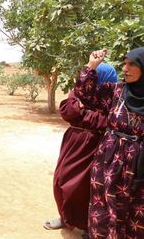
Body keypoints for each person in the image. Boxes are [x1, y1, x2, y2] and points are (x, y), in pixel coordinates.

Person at [74, 47, 144, 238]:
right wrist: (92, 65)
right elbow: (84, 95)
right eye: (124, 63)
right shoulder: (117, 91)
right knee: (103, 207)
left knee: (134, 212)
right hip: (108, 159)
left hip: (138, 166)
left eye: (132, 64)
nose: (125, 68)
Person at [44, 64, 117, 234]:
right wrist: (80, 111)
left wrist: (82, 113)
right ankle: (65, 217)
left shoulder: (114, 96)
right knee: (61, 180)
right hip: (74, 142)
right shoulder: (80, 90)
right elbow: (66, 111)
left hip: (96, 144)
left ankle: (88, 225)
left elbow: (108, 122)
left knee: (86, 187)